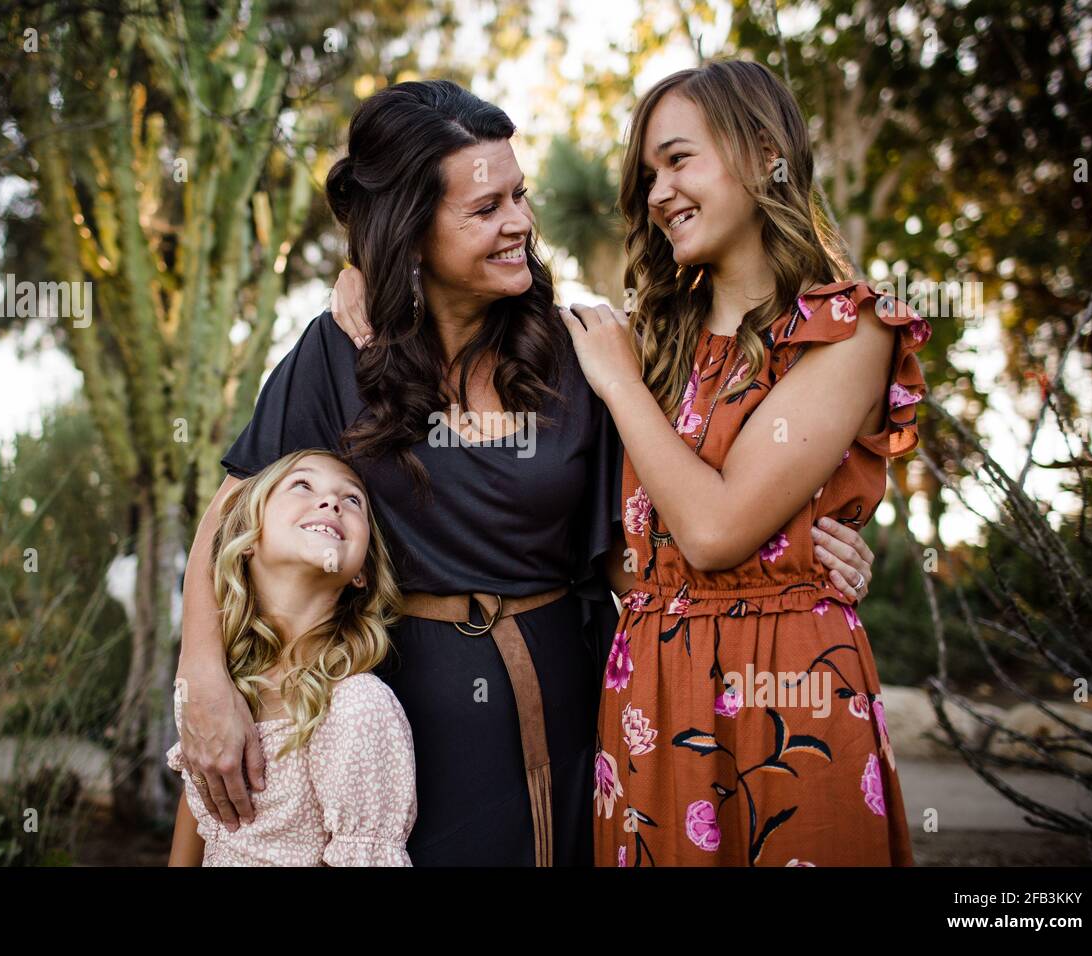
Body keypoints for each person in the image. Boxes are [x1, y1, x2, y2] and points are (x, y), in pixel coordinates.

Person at [176, 78, 877, 866]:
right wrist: (202, 680)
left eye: (519, 195)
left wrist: (793, 552)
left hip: (578, 712)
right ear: (409, 230)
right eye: (485, 210)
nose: (519, 224)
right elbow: (228, 520)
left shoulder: (582, 353)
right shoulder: (341, 350)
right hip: (398, 722)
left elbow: (635, 549)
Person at [560, 61, 924, 866]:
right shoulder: (650, 342)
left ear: (765, 154)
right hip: (651, 694)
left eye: (679, 159)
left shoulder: (847, 331)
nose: (657, 193)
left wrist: (620, 385)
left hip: (785, 691)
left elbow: (717, 530)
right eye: (647, 174)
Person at [167, 450, 415, 866]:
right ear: (247, 538)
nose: (331, 502)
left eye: (352, 499)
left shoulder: (356, 708)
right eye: (303, 485)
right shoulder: (218, 689)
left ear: (361, 573)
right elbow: (197, 817)